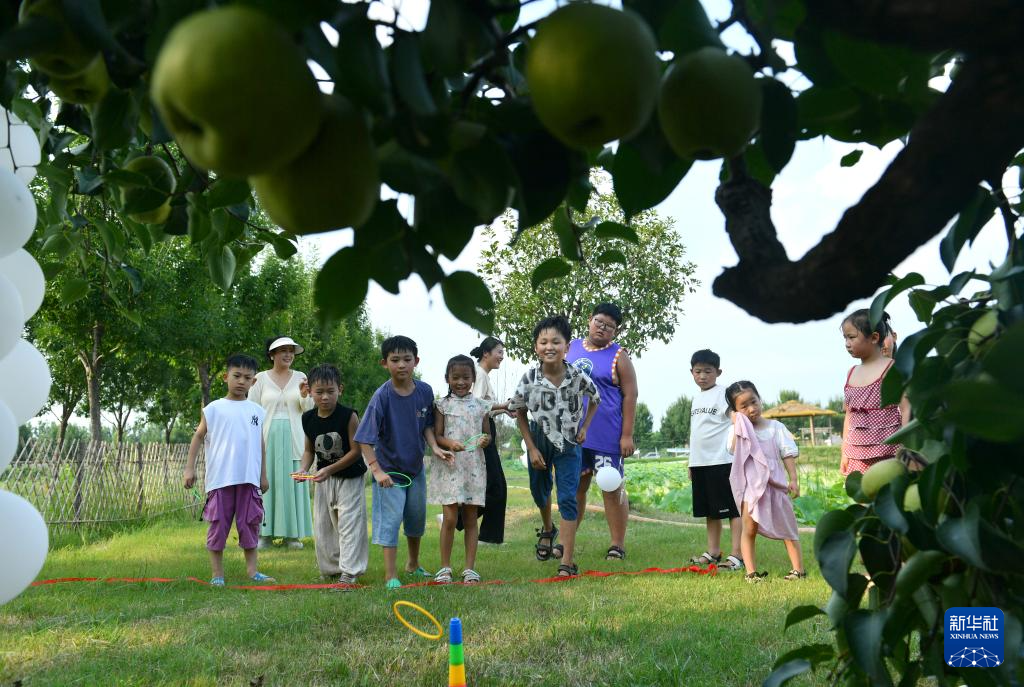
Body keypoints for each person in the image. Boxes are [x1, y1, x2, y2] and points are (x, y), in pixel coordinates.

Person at [354, 335, 454, 589]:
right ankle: (390, 575)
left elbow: (427, 426)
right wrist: (376, 471)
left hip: (415, 468)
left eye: (407, 359)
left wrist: (434, 448)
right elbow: (364, 438)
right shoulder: (381, 397)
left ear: (416, 361)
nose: (401, 365)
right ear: (384, 363)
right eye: (395, 360)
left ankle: (412, 563)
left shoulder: (425, 391)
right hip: (389, 472)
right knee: (391, 520)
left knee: (416, 516)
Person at [510, 315, 600, 578]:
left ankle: (567, 562)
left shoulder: (577, 376)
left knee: (568, 498)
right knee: (540, 492)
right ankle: (548, 529)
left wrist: (584, 428)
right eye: (543, 342)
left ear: (567, 346)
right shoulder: (529, 378)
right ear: (536, 347)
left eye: (556, 342)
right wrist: (531, 447)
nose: (549, 347)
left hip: (570, 444)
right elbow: (519, 412)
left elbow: (595, 399)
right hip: (539, 440)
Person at [183, 354, 275, 586]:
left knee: (250, 524)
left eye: (247, 378)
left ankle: (253, 572)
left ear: (254, 382)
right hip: (220, 480)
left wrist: (263, 474)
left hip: (249, 480)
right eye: (236, 376)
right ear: (226, 377)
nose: (241, 381)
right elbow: (198, 436)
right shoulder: (214, 409)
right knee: (218, 526)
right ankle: (217, 576)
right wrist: (189, 469)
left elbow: (260, 444)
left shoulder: (256, 411)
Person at [567, 303, 638, 561]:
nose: (602, 328)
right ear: (589, 320)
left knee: (611, 486)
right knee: (575, 488)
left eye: (609, 326)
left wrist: (627, 435)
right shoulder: (570, 347)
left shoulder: (619, 355)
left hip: (607, 435)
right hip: (574, 434)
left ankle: (617, 544)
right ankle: (566, 542)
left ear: (615, 331)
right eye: (599, 322)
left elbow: (630, 395)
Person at [725, 380, 805, 583]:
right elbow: (733, 449)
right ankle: (751, 573)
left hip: (775, 485)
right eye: (743, 406)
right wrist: (737, 424)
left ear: (760, 399)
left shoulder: (776, 427)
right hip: (751, 489)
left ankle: (798, 570)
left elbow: (787, 454)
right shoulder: (738, 430)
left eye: (754, 401)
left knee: (788, 527)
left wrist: (793, 479)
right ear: (735, 411)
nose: (752, 409)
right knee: (749, 529)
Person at [430, 355, 501, 584]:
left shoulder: (481, 406)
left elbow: (487, 434)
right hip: (450, 466)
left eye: (466, 377)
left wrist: (484, 440)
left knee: (471, 518)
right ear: (447, 379)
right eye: (456, 377)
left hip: (473, 467)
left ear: (473, 379)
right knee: (450, 518)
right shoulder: (442, 405)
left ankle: (470, 569)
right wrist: (450, 444)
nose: (461, 382)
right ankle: (445, 568)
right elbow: (438, 435)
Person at [297, 363, 367, 587]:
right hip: (324, 479)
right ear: (309, 392)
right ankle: (330, 570)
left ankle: (350, 572)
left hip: (350, 477)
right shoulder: (307, 418)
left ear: (340, 389)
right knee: (324, 525)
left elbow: (356, 451)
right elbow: (309, 451)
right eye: (319, 392)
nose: (325, 397)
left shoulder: (348, 416)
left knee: (349, 524)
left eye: (330, 391)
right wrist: (303, 469)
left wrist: (329, 469)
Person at [248, 335, 313, 550]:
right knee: (268, 483)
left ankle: (292, 536)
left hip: (295, 436)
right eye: (283, 350)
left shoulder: (301, 377)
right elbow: (251, 410)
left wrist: (305, 395)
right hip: (267, 437)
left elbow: (309, 408)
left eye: (291, 351)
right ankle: (264, 535)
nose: (288, 354)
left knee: (292, 482)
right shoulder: (260, 378)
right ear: (272, 354)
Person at [686, 349, 743, 571]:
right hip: (700, 463)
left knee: (731, 509)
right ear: (691, 372)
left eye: (708, 371)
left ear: (718, 372)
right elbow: (695, 433)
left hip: (722, 462)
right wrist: (691, 462)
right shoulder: (696, 398)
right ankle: (713, 552)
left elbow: (736, 419)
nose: (702, 376)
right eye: (698, 371)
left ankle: (737, 554)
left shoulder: (723, 394)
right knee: (710, 511)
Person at [840, 309, 911, 475]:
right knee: (863, 496)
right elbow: (849, 417)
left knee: (888, 494)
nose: (847, 343)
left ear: (874, 338)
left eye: (851, 337)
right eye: (845, 338)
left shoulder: (891, 368)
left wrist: (907, 448)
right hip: (856, 455)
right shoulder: (851, 372)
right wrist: (844, 452)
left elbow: (907, 408)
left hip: (889, 452)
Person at [463, 336, 510, 545]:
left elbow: (486, 410)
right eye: (499, 352)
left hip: (485, 430)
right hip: (480, 434)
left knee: (494, 486)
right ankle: (460, 521)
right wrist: (503, 405)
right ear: (486, 354)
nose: (502, 356)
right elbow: (477, 407)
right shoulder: (479, 375)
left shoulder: (483, 375)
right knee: (495, 486)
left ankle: (460, 521)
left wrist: (504, 409)